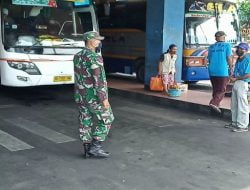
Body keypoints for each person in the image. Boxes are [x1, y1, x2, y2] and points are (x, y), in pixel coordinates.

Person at [73, 31, 114, 158]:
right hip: (93, 97)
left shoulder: (77, 56)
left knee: (85, 119)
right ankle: (95, 147)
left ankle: (86, 148)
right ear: (90, 40)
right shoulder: (94, 57)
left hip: (80, 95)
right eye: (97, 40)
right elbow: (99, 79)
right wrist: (103, 98)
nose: (99, 42)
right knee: (108, 118)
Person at [225, 42, 250, 132]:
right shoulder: (238, 59)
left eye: (241, 49)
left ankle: (243, 126)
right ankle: (235, 122)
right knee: (234, 104)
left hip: (242, 83)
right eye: (238, 48)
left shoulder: (248, 60)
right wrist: (232, 76)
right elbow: (235, 72)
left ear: (246, 50)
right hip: (237, 82)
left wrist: (236, 78)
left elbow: (248, 75)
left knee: (242, 105)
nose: (238, 50)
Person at [208, 31, 233, 113]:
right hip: (222, 70)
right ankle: (214, 103)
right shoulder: (227, 45)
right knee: (222, 89)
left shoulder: (211, 47)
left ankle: (215, 106)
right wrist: (231, 67)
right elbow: (229, 57)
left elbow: (209, 58)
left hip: (212, 70)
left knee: (215, 89)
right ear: (223, 36)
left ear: (216, 37)